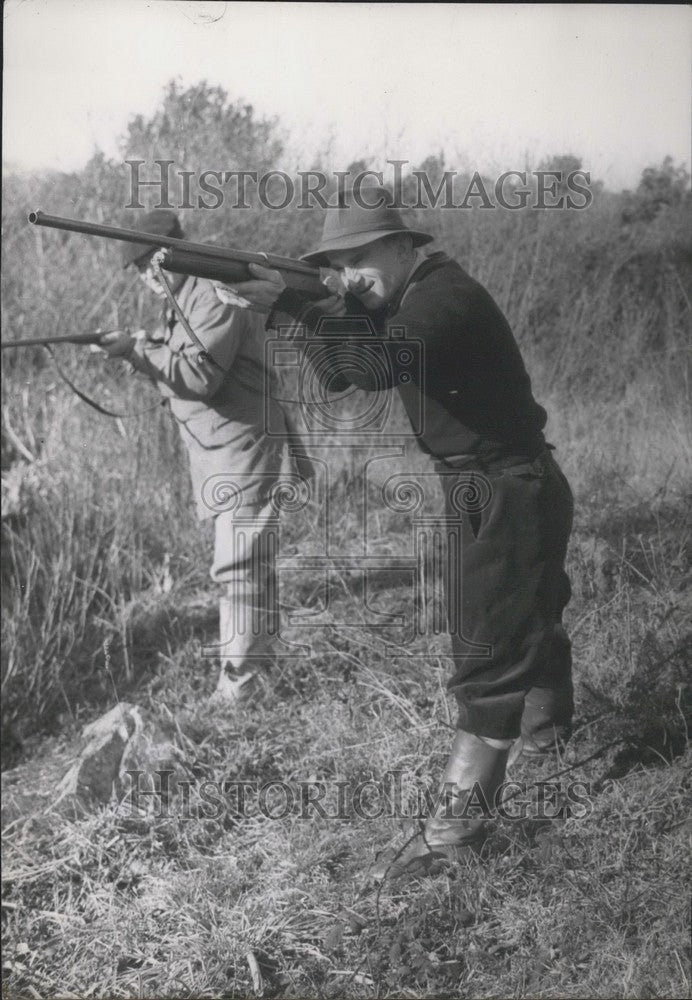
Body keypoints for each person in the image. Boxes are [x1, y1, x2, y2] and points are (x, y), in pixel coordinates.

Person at [214, 186, 575, 880]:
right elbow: (347, 376)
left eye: (359, 258)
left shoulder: (444, 301)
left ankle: (454, 838)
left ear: (406, 245)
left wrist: (296, 304)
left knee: (488, 656)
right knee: (528, 617)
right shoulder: (410, 297)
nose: (349, 275)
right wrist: (302, 309)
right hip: (498, 483)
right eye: (335, 264)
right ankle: (551, 742)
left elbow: (377, 365)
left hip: (504, 487)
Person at [99, 209, 299, 705]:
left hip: (245, 451)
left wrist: (136, 354)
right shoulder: (184, 294)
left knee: (239, 567)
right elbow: (185, 355)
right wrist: (148, 347)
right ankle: (258, 672)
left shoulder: (210, 291)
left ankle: (241, 687)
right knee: (247, 564)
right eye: (140, 270)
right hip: (224, 451)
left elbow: (200, 375)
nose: (146, 279)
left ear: (170, 253)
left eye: (149, 265)